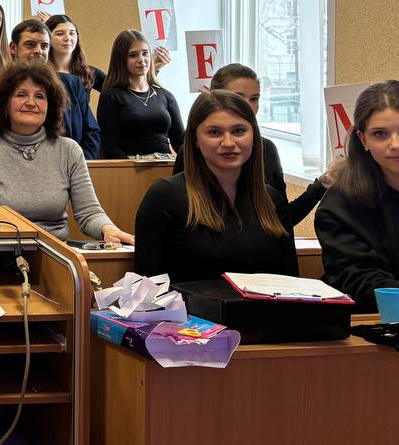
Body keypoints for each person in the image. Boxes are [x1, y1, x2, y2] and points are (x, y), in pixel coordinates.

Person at [0, 62, 134, 243]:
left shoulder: (69, 150)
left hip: (56, 252)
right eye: (21, 94)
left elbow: (89, 212)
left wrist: (107, 229)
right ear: (4, 103)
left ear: (50, 106)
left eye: (39, 96)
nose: (31, 102)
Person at [135, 90, 294, 282]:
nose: (228, 143)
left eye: (238, 131)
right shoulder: (164, 197)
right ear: (195, 140)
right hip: (187, 303)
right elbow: (148, 289)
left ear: (254, 136)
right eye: (214, 132)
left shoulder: (272, 200)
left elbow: (292, 285)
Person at [173, 63, 328, 229]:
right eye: (238, 97)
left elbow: (281, 219)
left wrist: (321, 186)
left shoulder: (267, 150)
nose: (247, 105)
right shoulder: (191, 155)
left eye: (254, 99)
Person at [316, 80, 399, 305]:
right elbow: (359, 278)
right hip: (373, 317)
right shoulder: (338, 206)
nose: (396, 144)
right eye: (380, 134)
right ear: (363, 139)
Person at [9, 19, 101, 160]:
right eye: (30, 45)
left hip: (69, 163)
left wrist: (81, 162)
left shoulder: (71, 84)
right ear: (13, 48)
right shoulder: (3, 87)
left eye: (44, 46)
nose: (38, 51)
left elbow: (92, 132)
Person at [97, 29, 184, 160]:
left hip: (166, 164)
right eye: (133, 55)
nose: (141, 60)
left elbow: (181, 143)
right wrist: (130, 168)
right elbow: (111, 147)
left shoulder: (166, 96)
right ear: (120, 59)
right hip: (131, 165)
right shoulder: (111, 96)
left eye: (145, 53)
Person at [46, 14, 106, 93]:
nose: (67, 38)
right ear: (47, 38)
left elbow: (116, 91)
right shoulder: (41, 73)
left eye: (72, 33)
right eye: (60, 34)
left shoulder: (87, 72)